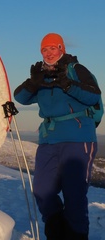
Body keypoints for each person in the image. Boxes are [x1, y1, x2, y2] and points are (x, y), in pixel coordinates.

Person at [14, 33, 101, 240]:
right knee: (43, 191)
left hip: (78, 138)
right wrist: (33, 83)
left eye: (53, 48)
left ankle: (75, 236)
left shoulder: (76, 70)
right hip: (49, 139)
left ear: (62, 48)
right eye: (44, 49)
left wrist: (68, 84)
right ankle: (57, 233)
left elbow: (93, 96)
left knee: (74, 197)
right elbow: (21, 97)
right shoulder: (41, 75)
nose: (49, 53)